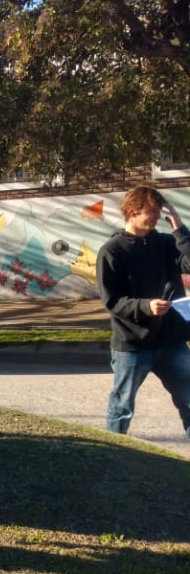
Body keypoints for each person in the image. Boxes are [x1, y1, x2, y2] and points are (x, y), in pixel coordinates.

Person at [96, 185, 190, 438]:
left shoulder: (167, 243)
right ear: (132, 211)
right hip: (133, 345)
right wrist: (145, 306)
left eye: (159, 212)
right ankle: (114, 451)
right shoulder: (112, 251)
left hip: (172, 341)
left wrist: (179, 228)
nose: (157, 217)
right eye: (151, 212)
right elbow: (112, 301)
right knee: (122, 407)